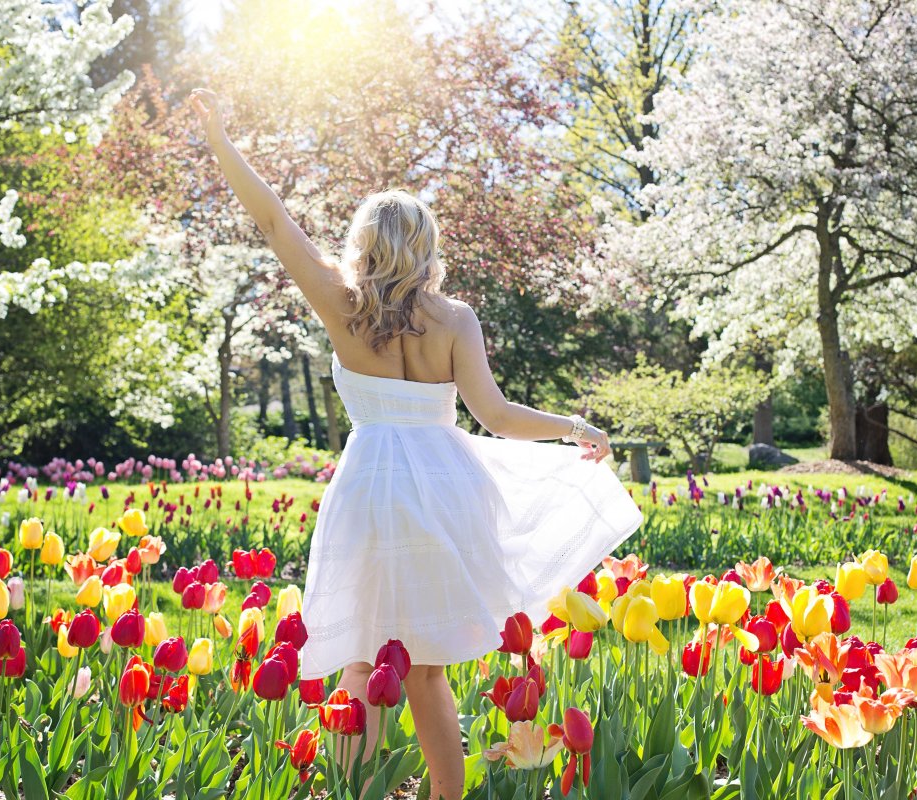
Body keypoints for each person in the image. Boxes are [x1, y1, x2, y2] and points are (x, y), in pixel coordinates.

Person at [190, 88, 642, 800]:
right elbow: (493, 417)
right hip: (446, 488)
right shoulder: (455, 318)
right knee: (426, 667)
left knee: (361, 664)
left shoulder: (344, 304)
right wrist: (573, 427)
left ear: (365, 244)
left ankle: (351, 795)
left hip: (373, 485)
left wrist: (219, 139)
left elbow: (275, 222)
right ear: (427, 246)